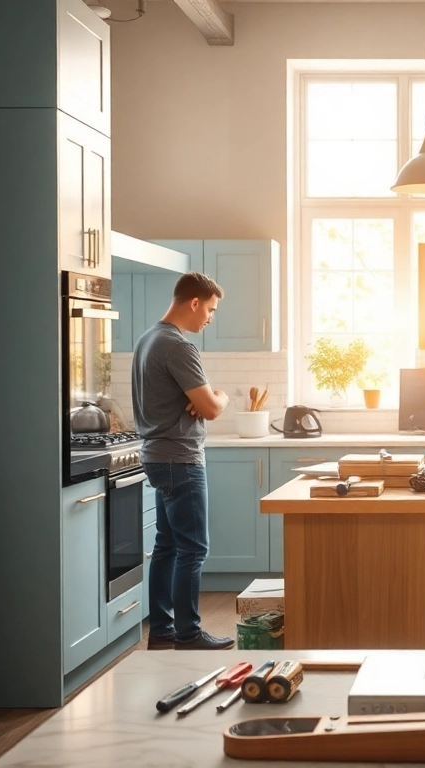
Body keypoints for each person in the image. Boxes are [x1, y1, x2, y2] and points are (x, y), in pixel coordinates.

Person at [132, 272, 235, 650]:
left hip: (158, 457)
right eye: (210, 309)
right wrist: (221, 395)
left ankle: (162, 630)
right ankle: (188, 634)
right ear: (194, 303)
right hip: (180, 459)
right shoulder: (177, 345)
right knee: (193, 549)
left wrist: (206, 399)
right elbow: (210, 407)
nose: (210, 317)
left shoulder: (148, 339)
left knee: (167, 546)